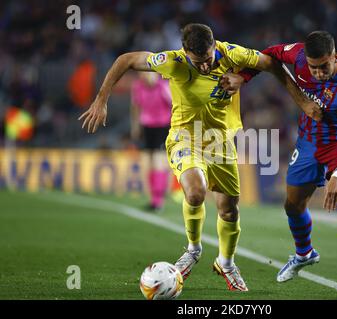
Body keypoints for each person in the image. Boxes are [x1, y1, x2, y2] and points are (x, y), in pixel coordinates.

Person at [78, 23, 321, 292]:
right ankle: (193, 249)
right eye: (199, 62)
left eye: (208, 59)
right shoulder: (173, 62)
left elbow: (272, 63)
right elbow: (127, 59)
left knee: (228, 209)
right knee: (195, 192)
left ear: (213, 46)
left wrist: (298, 99)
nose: (205, 66)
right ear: (185, 52)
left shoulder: (231, 54)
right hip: (185, 136)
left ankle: (226, 263)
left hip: (221, 141)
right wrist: (101, 99)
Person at [220, 31, 337, 291]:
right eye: (313, 68)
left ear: (336, 56)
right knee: (293, 205)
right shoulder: (297, 55)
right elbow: (268, 56)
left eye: (324, 67)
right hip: (309, 140)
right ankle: (304, 254)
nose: (318, 73)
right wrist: (244, 77)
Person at [130, 72, 172, 211]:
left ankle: (158, 200)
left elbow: (174, 105)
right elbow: (136, 106)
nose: (147, 76)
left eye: (150, 73)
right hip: (147, 127)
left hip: (162, 126)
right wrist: (135, 126)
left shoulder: (163, 86)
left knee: (158, 160)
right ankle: (154, 197)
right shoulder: (138, 87)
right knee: (148, 162)